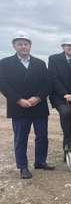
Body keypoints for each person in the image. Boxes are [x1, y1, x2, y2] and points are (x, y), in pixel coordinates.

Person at [0, 31, 54, 179]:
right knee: (21, 137)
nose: (23, 46)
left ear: (30, 46)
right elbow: (3, 85)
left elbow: (47, 83)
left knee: (42, 136)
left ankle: (40, 161)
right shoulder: (4, 63)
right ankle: (23, 166)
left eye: (26, 44)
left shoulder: (40, 63)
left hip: (39, 106)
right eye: (20, 44)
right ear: (14, 46)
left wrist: (38, 97)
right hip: (18, 107)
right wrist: (18, 100)